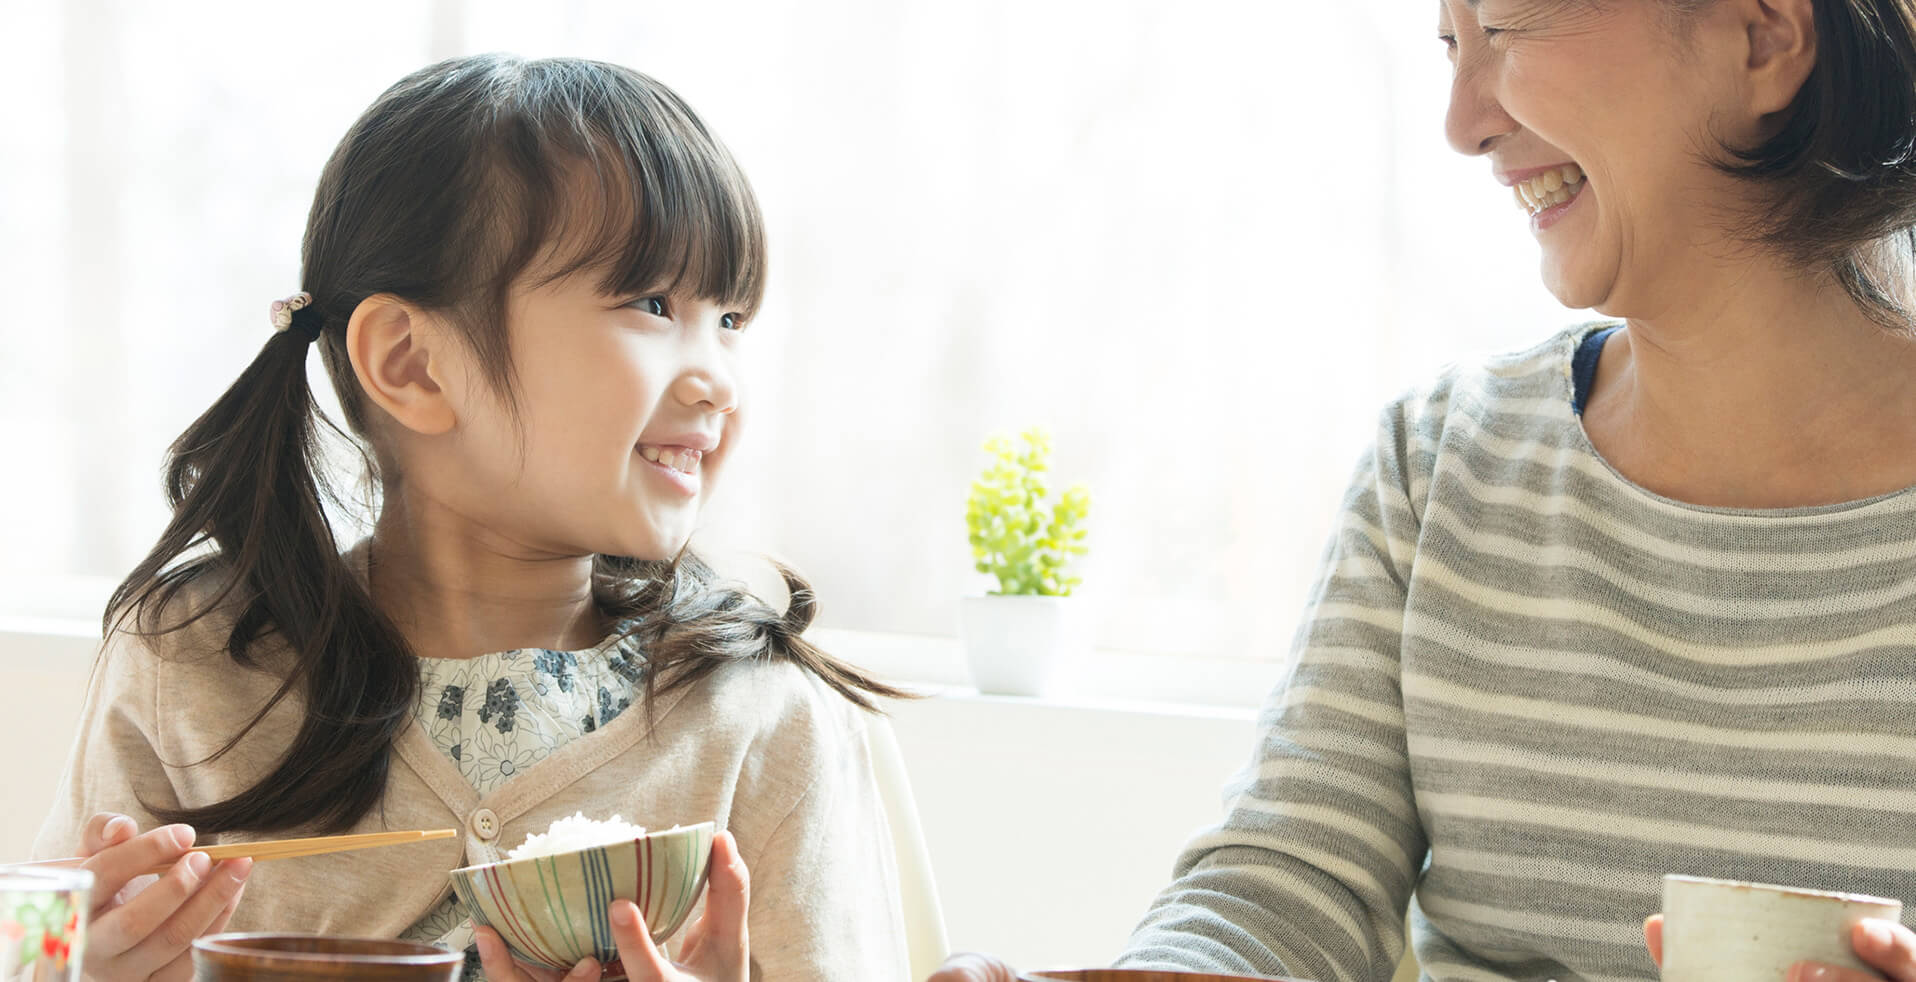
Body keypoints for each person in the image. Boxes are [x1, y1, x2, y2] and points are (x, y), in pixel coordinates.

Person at [935, 0, 1916, 979]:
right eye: (1452, 47)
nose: (1461, 123)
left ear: (1761, 36)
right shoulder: (1442, 460)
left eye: (1506, 29)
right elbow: (1293, 884)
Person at [34, 54, 911, 982]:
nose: (718, 382)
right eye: (653, 304)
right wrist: (67, 966)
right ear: (412, 364)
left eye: (730, 320)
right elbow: (40, 942)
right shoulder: (190, 662)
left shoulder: (765, 717)